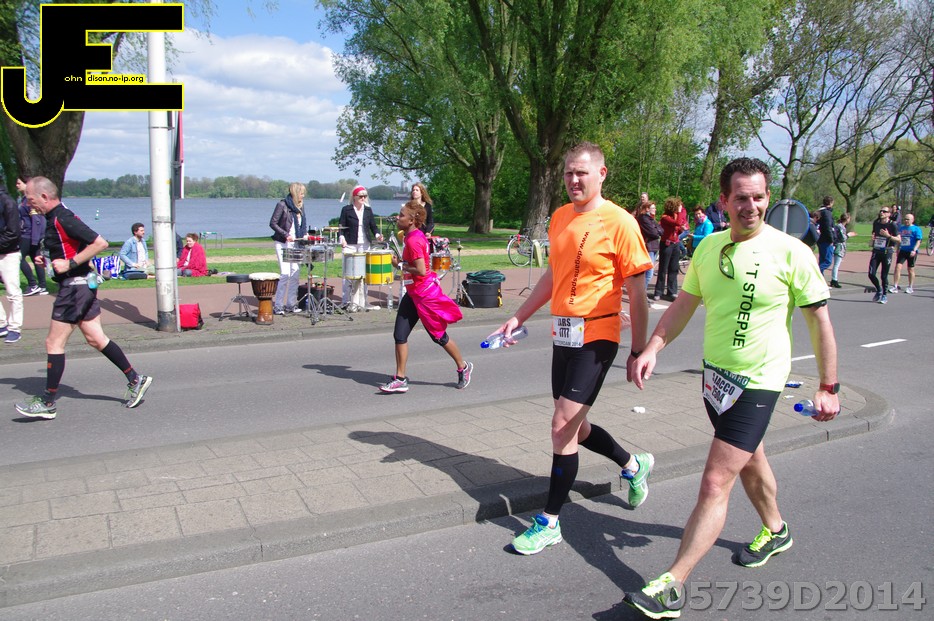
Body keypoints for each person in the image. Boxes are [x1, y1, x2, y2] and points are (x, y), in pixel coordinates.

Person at [623, 157, 840, 619]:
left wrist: (829, 385)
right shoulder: (709, 247)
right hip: (715, 380)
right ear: (724, 201)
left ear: (768, 198)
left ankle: (672, 585)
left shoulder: (792, 252)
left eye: (758, 196)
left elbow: (819, 321)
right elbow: (684, 305)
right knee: (749, 460)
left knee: (715, 479)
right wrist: (653, 347)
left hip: (760, 381)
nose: (751, 205)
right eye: (741, 197)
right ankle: (776, 530)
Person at [494, 142, 653, 556]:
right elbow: (553, 274)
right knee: (576, 428)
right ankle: (633, 465)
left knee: (561, 425)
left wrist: (638, 349)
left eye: (582, 172)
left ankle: (549, 522)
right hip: (563, 335)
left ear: (601, 174)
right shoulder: (561, 217)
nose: (574, 180)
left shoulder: (620, 222)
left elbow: (638, 293)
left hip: (598, 336)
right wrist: (519, 317)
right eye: (568, 172)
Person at [14, 177, 153, 419]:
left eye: (30, 199)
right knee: (96, 338)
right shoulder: (54, 218)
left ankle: (48, 402)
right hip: (82, 287)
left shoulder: (62, 217)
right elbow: (72, 247)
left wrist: (69, 263)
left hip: (74, 290)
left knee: (53, 343)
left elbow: (100, 243)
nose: (28, 204)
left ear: (44, 197)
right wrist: (47, 259)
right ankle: (135, 379)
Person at [378, 200, 471, 393]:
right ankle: (400, 379)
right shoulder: (412, 236)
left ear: (412, 220)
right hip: (413, 294)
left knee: (439, 337)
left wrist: (399, 265)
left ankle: (463, 367)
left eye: (401, 215)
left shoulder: (413, 240)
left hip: (425, 296)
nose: (398, 217)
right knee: (400, 335)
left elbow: (420, 269)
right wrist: (403, 262)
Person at [338, 185, 384, 310]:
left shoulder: (368, 210)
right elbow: (341, 226)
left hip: (364, 243)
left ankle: (362, 301)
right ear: (354, 197)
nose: (363, 198)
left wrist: (378, 235)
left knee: (363, 273)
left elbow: (373, 226)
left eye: (365, 196)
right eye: (361, 196)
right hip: (350, 244)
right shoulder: (346, 209)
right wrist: (342, 238)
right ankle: (346, 301)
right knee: (348, 273)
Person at [269, 182, 308, 314]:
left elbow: (303, 224)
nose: (303, 196)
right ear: (295, 193)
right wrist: (286, 235)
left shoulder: (301, 206)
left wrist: (304, 235)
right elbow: (273, 223)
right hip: (283, 243)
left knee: (295, 273)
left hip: (296, 243)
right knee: (285, 273)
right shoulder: (282, 205)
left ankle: (291, 304)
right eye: (301, 193)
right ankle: (278, 305)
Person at [0, 179, 24, 344]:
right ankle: (1, 323)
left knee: (13, 291)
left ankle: (15, 327)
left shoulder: (8, 202)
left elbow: (13, 232)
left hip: (9, 253)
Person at [17, 176, 48, 296]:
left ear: (27, 184)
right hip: (30, 234)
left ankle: (33, 284)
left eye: (19, 183)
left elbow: (37, 220)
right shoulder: (25, 199)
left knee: (18, 258)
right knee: (36, 259)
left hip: (28, 234)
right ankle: (42, 286)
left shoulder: (29, 201)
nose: (17, 186)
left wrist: (35, 239)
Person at [653, 197, 687, 302]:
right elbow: (677, 223)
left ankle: (672, 291)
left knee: (673, 268)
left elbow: (679, 226)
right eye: (677, 206)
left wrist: (681, 229)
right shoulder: (665, 217)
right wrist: (680, 213)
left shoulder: (675, 216)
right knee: (663, 269)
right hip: (666, 244)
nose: (679, 208)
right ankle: (658, 292)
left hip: (675, 243)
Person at [867, 205, 899, 304]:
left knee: (884, 276)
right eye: (881, 211)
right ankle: (879, 289)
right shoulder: (876, 223)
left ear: (889, 214)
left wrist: (888, 236)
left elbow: (898, 239)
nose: (881, 213)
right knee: (871, 274)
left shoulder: (892, 225)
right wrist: (872, 240)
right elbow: (874, 235)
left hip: (887, 252)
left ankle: (884, 295)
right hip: (876, 251)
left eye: (884, 211)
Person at [891, 213, 922, 294]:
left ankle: (910, 287)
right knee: (898, 267)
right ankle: (895, 286)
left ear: (912, 220)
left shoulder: (916, 229)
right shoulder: (901, 228)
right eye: (905, 219)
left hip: (911, 251)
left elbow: (918, 241)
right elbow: (899, 240)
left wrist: (914, 250)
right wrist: (897, 249)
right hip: (903, 251)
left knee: (910, 269)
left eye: (908, 219)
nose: (906, 221)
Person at [636, 201, 662, 295]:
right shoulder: (643, 218)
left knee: (648, 272)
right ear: (647, 209)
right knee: (649, 272)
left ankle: (642, 293)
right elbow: (654, 233)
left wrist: (656, 230)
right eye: (653, 208)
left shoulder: (651, 219)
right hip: (649, 247)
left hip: (654, 247)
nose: (655, 210)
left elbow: (661, 231)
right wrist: (656, 230)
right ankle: (641, 294)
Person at [829, 212, 851, 288]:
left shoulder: (840, 227)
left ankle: (834, 279)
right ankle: (834, 280)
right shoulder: (840, 227)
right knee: (836, 265)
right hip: (839, 247)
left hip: (839, 247)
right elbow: (842, 238)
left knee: (836, 264)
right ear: (847, 219)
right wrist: (849, 235)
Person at [816, 196, 835, 278]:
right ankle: (816, 273)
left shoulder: (819, 211)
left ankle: (820, 278)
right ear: (831, 203)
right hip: (826, 239)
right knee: (827, 261)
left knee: (822, 260)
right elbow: (828, 227)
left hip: (820, 238)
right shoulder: (827, 213)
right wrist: (831, 239)